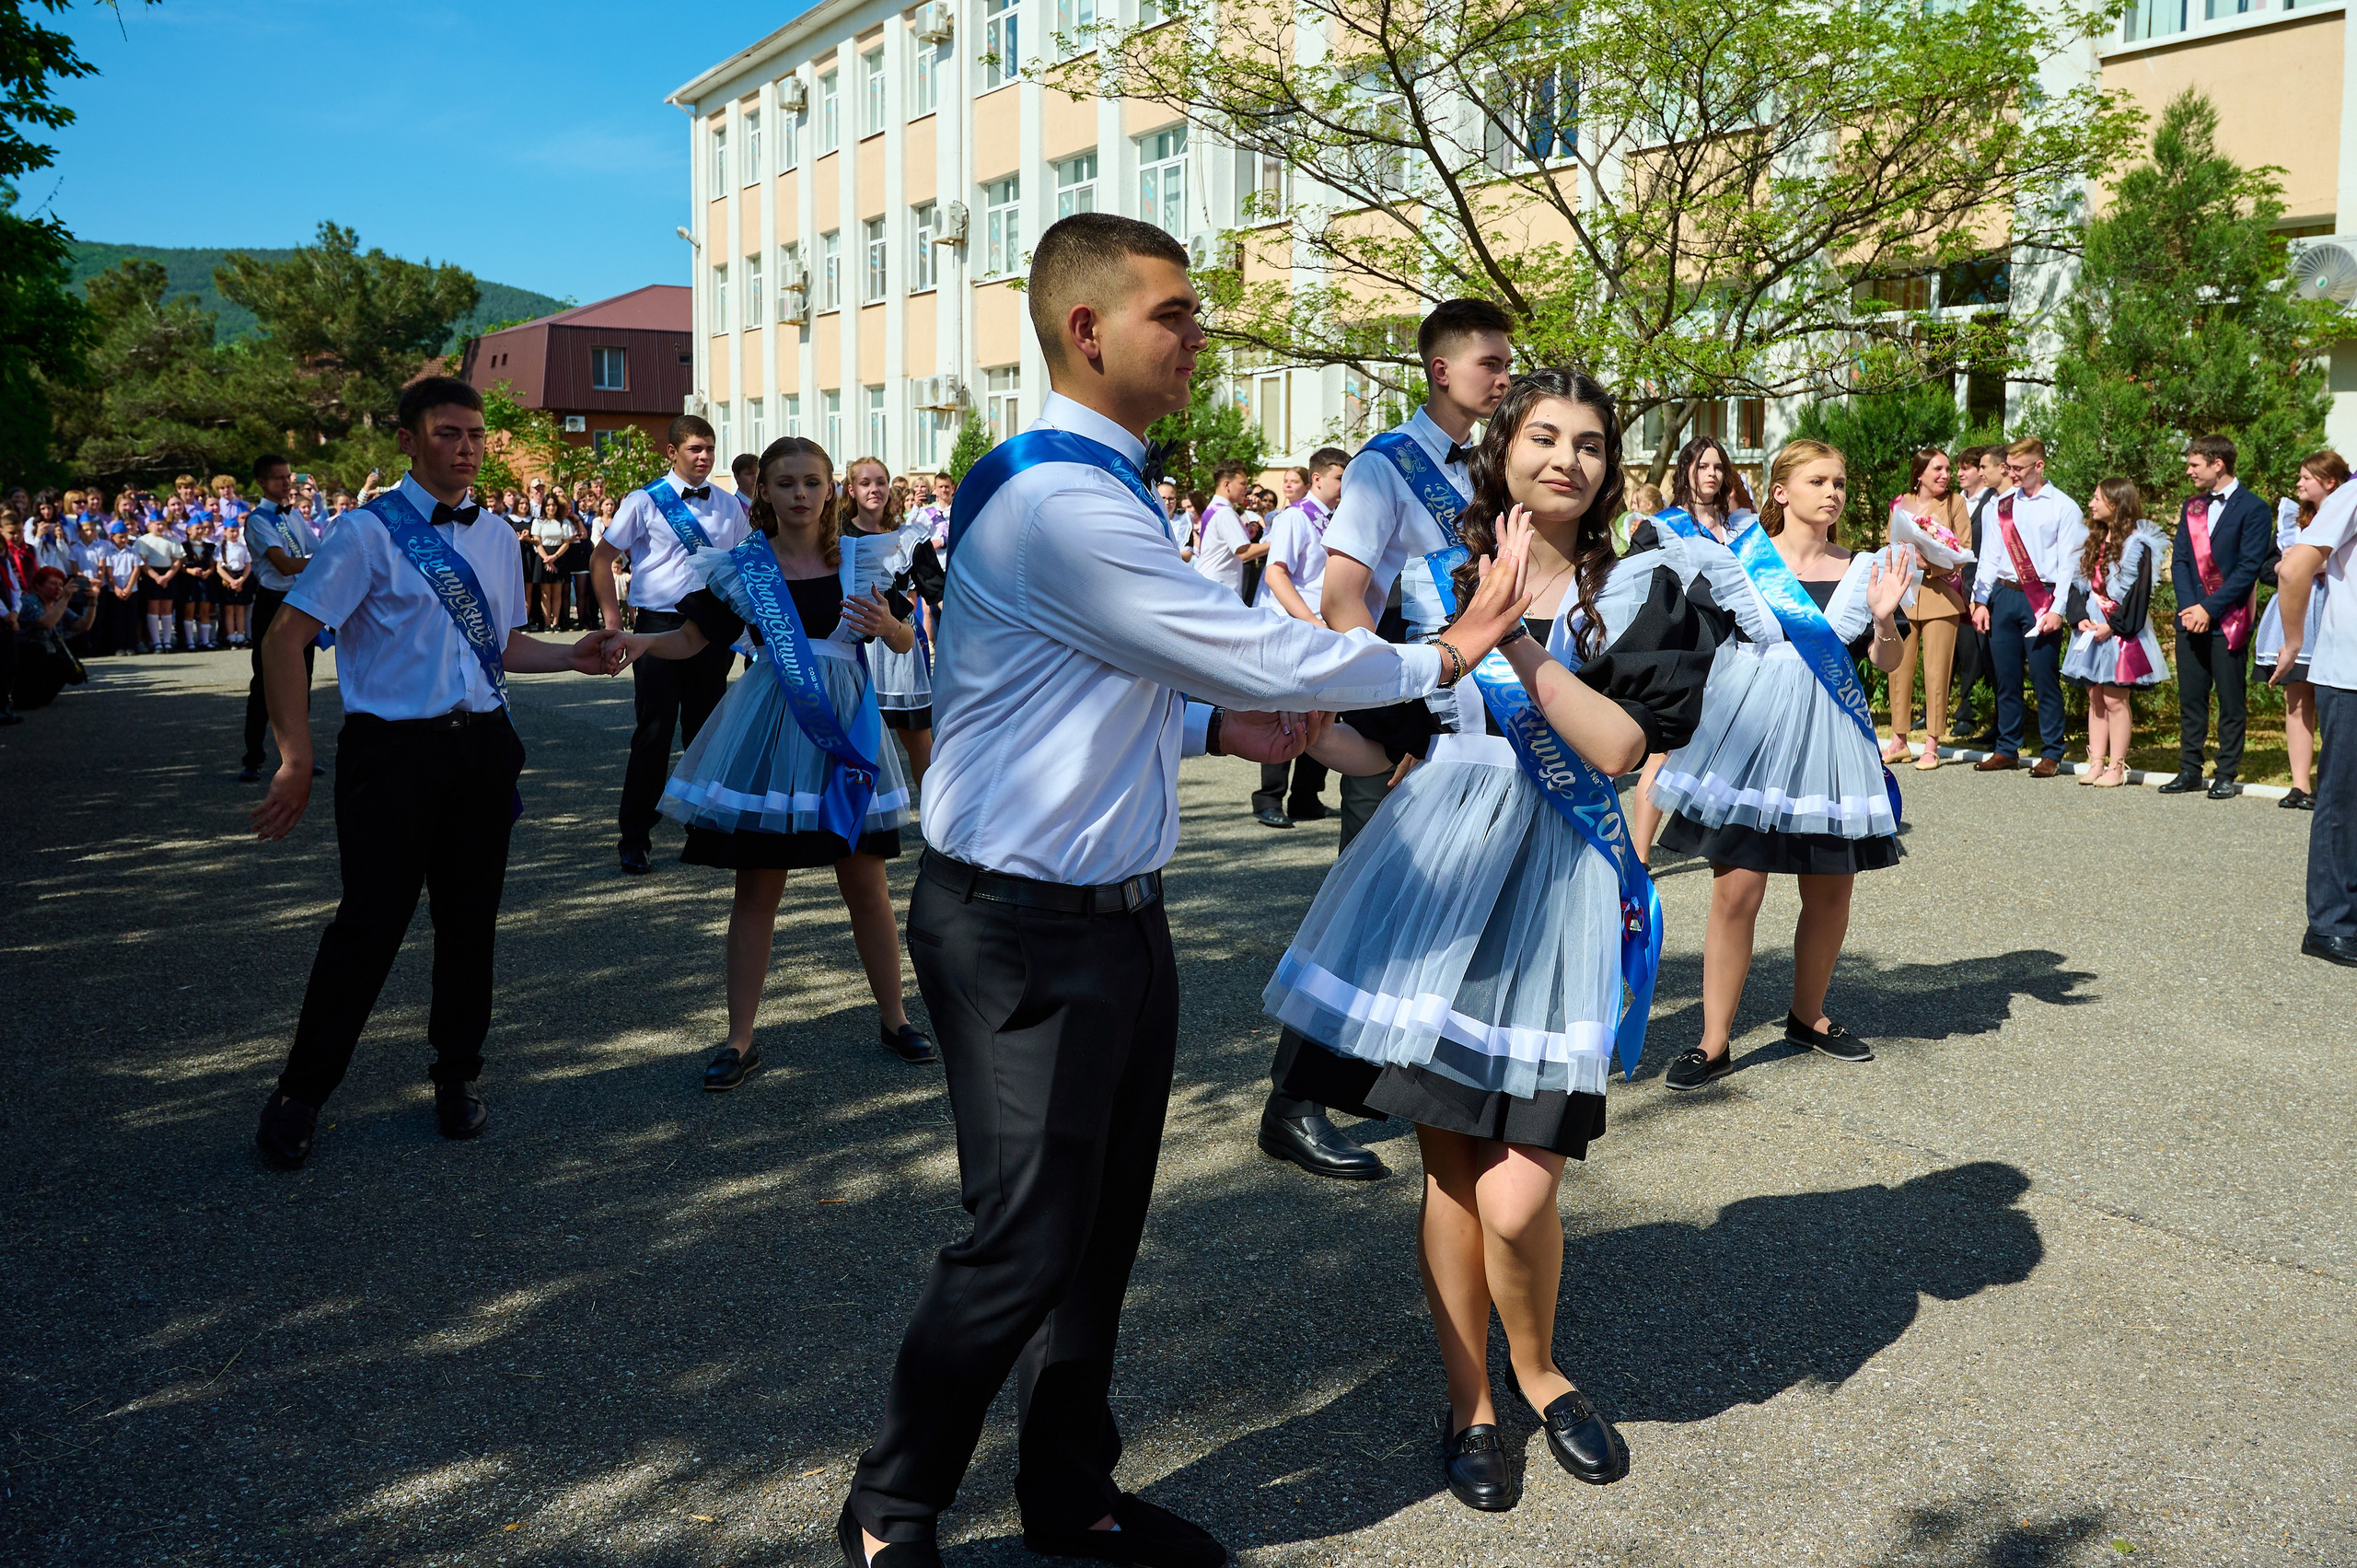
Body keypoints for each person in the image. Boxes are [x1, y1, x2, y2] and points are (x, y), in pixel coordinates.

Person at [838, 214, 1533, 1568]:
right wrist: (1443, 652)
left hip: (1114, 915)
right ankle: (891, 1503)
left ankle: (1069, 1492)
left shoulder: (1079, 482)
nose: (1200, 335)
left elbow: (1088, 689)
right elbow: (1251, 648)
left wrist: (1216, 733)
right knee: (1023, 1238)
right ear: (1088, 330)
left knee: (1096, 1235)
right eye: (1177, 313)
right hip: (1019, 921)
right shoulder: (1056, 498)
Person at [1268, 370, 1717, 1509]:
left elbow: (1616, 746)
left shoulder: (1645, 585)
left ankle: (1540, 1363)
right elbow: (1393, 741)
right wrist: (1308, 722)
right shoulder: (1429, 578)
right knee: (1455, 1172)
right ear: (1501, 449)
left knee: (1523, 1192)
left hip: (1563, 890)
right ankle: (1473, 1396)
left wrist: (1511, 635)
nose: (1566, 458)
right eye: (1543, 436)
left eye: (1590, 443)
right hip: (1443, 886)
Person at [247, 377, 621, 1170]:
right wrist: (296, 755)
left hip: (479, 750)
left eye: (477, 435)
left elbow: (503, 646)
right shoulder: (364, 533)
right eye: (450, 433)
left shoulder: (495, 536)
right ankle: (300, 1095)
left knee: (469, 923)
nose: (468, 448)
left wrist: (570, 657)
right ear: (411, 440)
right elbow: (286, 638)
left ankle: (456, 1077)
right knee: (368, 927)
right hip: (393, 756)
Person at [609, 436, 938, 1081]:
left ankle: (896, 1017)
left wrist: (890, 626)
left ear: (830, 489)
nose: (800, 495)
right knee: (757, 888)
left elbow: (902, 636)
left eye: (812, 482)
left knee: (866, 886)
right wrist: (635, 642)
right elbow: (691, 638)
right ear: (764, 491)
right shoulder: (744, 564)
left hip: (845, 725)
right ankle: (738, 1039)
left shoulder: (862, 559)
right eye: (785, 483)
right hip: (770, 720)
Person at [1273, 296, 1513, 1182]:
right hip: (1411, 724)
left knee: (1442, 909)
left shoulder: (1495, 463)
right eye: (1490, 363)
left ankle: (1425, 1073)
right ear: (1442, 371)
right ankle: (1292, 1102)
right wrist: (1403, 720)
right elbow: (1343, 603)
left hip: (1480, 722)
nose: (1504, 377)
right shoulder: (1383, 468)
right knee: (1368, 910)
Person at [1654, 438, 1917, 1092]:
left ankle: (1808, 1014)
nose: (1833, 492)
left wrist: (1884, 622)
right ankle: (1714, 1041)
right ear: (1780, 491)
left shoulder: (1865, 569)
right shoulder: (1740, 561)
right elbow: (1700, 646)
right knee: (1737, 889)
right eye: (1819, 480)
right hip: (1750, 743)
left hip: (1830, 745)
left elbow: (1885, 663)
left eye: (1841, 482)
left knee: (1830, 888)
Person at [591, 415, 752, 875]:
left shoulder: (727, 505)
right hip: (658, 624)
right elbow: (602, 559)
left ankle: (703, 827)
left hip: (712, 627)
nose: (704, 457)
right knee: (654, 731)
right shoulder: (644, 501)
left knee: (706, 731)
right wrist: (613, 623)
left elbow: (743, 568)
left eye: (710, 449)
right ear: (672, 453)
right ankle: (635, 836)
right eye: (695, 449)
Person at [1625, 434, 1756, 865]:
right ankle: (1639, 857)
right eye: (1702, 466)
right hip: (1688, 646)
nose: (1712, 475)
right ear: (1686, 471)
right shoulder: (1663, 525)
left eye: (1718, 467)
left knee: (1731, 740)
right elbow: (1634, 582)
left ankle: (1726, 844)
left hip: (1735, 649)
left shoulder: (1740, 526)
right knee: (1667, 746)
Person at [2270, 462, 2357, 965]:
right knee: (2344, 800)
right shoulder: (2350, 496)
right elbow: (2296, 565)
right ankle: (2331, 924)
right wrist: (2296, 639)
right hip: (2349, 674)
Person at [2158, 433, 2271, 799]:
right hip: (2191, 618)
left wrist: (2210, 608)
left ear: (2217, 464)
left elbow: (2248, 567)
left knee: (2230, 699)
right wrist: (2192, 608)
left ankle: (2226, 772)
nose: (2188, 471)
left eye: (2194, 464)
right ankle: (2189, 768)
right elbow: (2180, 561)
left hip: (2229, 620)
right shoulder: (2192, 507)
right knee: (2191, 698)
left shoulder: (2253, 508)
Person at [1968, 436, 2084, 777]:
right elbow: (1989, 556)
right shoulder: (1999, 506)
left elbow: (2069, 565)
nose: (2012, 474)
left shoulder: (2064, 507)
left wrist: (2058, 609)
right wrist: (1980, 600)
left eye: (2018, 468)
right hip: (2003, 596)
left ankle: (2052, 751)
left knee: (2045, 677)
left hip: (2042, 598)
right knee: (2005, 677)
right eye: (2009, 468)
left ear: (2039, 466)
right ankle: (2007, 747)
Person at [1249, 448, 1347, 828]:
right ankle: (1269, 798)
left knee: (1321, 712)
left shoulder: (1333, 520)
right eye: (1339, 478)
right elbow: (1276, 574)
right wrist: (1310, 619)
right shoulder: (1295, 517)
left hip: (1321, 628)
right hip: (1294, 629)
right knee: (1283, 711)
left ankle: (1306, 796)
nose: (1344, 487)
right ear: (1318, 478)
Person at [2061, 478, 2167, 787]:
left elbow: (2139, 593)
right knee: (2095, 694)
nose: (2091, 504)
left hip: (2120, 627)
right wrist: (2079, 617)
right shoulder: (2092, 542)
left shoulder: (2138, 544)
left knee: (2114, 697)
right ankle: (2095, 762)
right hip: (2093, 625)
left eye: (2097, 498)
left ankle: (2117, 766)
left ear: (2116, 503)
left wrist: (2114, 625)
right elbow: (2077, 586)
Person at [2256, 451, 2346, 810]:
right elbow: (2269, 568)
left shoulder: (2344, 516)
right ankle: (2299, 783)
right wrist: (2286, 564)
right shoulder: (2293, 518)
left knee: (2331, 704)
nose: (2299, 483)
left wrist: (2310, 563)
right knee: (2296, 699)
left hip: (2330, 610)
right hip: (2296, 612)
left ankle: (2331, 784)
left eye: (2307, 477)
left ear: (2330, 482)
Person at [841, 456, 935, 792]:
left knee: (919, 738)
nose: (874, 489)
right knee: (858, 740)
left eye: (880, 481)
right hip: (852, 651)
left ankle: (934, 820)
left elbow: (937, 592)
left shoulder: (908, 538)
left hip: (901, 648)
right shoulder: (834, 536)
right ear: (850, 489)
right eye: (865, 483)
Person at [1884, 447, 1972, 768]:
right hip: (1905, 596)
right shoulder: (1900, 503)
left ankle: (1933, 743)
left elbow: (1964, 549)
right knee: (1899, 668)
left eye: (1948, 469)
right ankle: (1899, 740)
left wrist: (1931, 563)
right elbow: (1888, 543)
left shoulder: (1954, 503)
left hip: (1941, 597)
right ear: (1919, 473)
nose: (1945, 475)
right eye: (1938, 469)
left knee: (1936, 672)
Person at [241, 456, 323, 783]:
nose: (285, 483)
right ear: (261, 482)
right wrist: (323, 560)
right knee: (265, 681)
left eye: (287, 477)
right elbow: (284, 565)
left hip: (300, 600)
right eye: (277, 479)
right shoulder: (258, 519)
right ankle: (253, 757)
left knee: (302, 680)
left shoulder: (294, 516)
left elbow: (319, 546)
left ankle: (298, 756)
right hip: (273, 602)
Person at [1948, 445, 1996, 740]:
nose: (1959, 474)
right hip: (1949, 586)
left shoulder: (1992, 502)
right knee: (1946, 654)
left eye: (1966, 467)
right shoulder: (1953, 502)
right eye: (1958, 468)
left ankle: (1968, 712)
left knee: (1973, 653)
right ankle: (1932, 712)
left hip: (1975, 587)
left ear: (1981, 470)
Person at [1189, 460, 1257, 598]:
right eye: (1243, 484)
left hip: (1209, 583)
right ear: (1226, 484)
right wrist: (1276, 542)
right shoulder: (1224, 512)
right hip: (1218, 588)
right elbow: (1244, 553)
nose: (1246, 489)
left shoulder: (1214, 507)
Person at [134, 512, 184, 655]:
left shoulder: (172, 540)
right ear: (149, 525)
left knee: (167, 608)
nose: (160, 527)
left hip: (168, 575)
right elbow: (142, 562)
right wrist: (156, 577)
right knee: (153, 608)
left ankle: (167, 641)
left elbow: (177, 560)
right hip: (151, 575)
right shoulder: (143, 541)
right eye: (157, 524)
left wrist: (167, 577)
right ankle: (156, 642)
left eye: (163, 524)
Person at [217, 516, 253, 646]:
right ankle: (231, 636)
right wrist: (231, 581)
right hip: (228, 578)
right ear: (225, 531)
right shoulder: (221, 547)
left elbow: (248, 565)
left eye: (236, 531)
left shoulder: (242, 547)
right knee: (229, 610)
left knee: (240, 610)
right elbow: (219, 567)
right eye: (231, 531)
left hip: (241, 577)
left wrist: (241, 580)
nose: (234, 534)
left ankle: (240, 635)